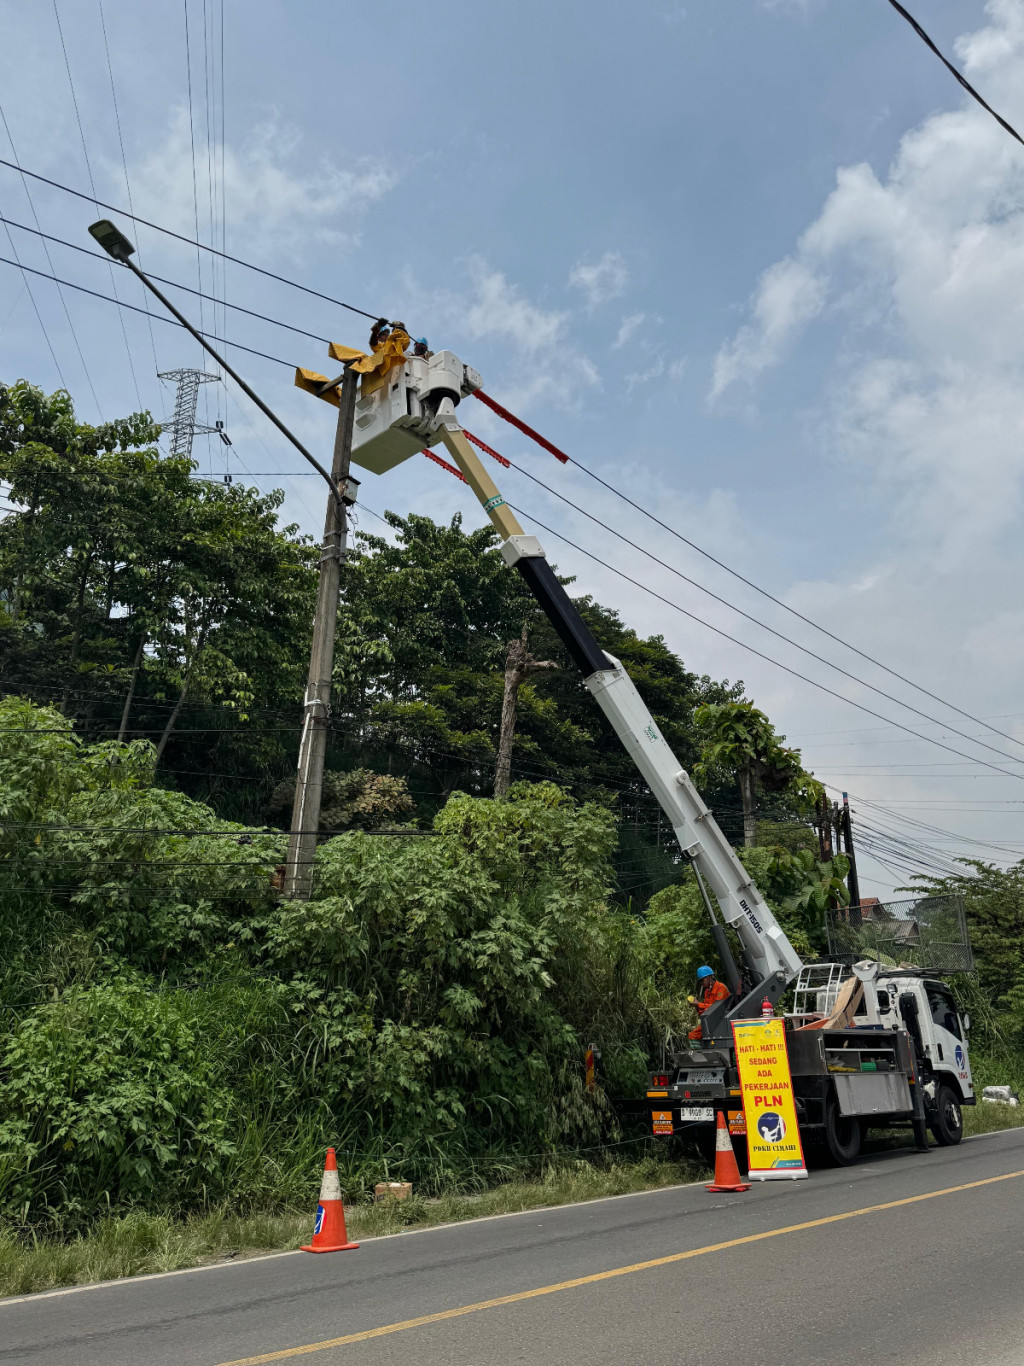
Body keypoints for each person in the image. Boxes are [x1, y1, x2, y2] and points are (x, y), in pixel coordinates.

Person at [688, 965, 730, 1040]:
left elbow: (716, 1008)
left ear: (709, 978)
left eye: (702, 980)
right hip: (710, 1021)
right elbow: (705, 1011)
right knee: (692, 1035)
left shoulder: (721, 988)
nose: (701, 983)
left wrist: (698, 1004)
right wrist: (696, 1006)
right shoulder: (707, 992)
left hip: (720, 1021)